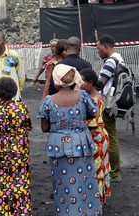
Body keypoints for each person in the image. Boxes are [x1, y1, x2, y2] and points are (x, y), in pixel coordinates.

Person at [38, 64, 101, 215]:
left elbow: (45, 128)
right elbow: (93, 112)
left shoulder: (48, 101)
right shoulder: (83, 96)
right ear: (74, 79)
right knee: (84, 182)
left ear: (56, 80)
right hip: (81, 145)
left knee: (63, 184)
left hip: (59, 148)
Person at [0, 77, 32, 215]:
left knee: (1, 180)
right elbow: (28, 127)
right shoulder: (22, 107)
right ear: (14, 91)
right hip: (19, 148)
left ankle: (3, 210)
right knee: (20, 179)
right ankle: (21, 210)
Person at [80, 68, 111, 205]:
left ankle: (96, 202)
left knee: (96, 169)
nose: (79, 85)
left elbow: (92, 122)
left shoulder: (95, 100)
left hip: (96, 137)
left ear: (91, 83)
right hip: (98, 137)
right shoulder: (94, 96)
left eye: (82, 82)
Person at [96, 34, 124, 182]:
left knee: (110, 137)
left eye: (99, 47)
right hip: (115, 102)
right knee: (111, 135)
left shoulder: (111, 62)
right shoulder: (119, 59)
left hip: (107, 103)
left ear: (106, 46)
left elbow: (101, 83)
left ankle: (114, 172)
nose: (98, 51)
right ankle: (113, 170)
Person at [0, 31, 25, 101]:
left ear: (4, 41)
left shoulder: (14, 56)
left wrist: (17, 91)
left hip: (12, 98)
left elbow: (21, 76)